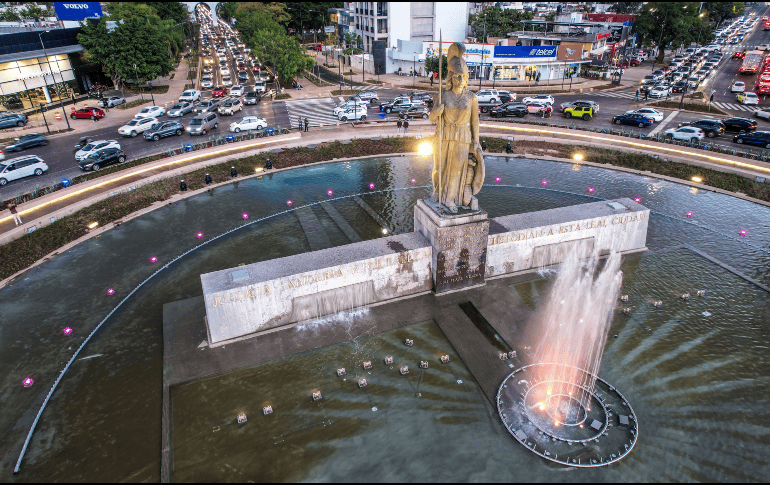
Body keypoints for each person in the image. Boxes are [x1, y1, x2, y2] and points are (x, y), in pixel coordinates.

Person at [428, 42, 485, 213]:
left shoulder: (472, 98)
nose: (461, 80)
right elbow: (431, 117)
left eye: (464, 76)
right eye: (457, 76)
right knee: (439, 168)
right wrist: (437, 112)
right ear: (451, 77)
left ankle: (450, 199)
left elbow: (475, 121)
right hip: (443, 135)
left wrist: (476, 141)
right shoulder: (443, 94)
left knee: (455, 170)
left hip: (462, 136)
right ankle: (438, 191)